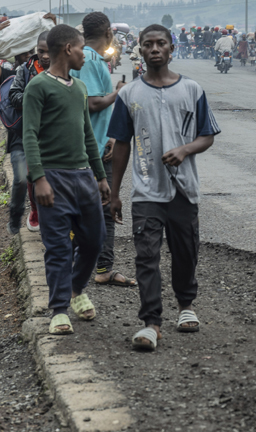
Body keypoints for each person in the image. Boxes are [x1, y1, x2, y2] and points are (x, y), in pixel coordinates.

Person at [108, 24, 220, 351]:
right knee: (146, 256)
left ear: (172, 48)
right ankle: (151, 323)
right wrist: (115, 193)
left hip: (184, 190)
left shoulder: (192, 90)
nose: (155, 49)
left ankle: (186, 306)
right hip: (146, 191)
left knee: (186, 252)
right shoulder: (129, 95)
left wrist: (185, 149)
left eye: (161, 43)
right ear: (139, 50)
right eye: (148, 44)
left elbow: (207, 135)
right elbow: (122, 144)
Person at [22, 24, 109, 335]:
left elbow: (87, 134)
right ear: (67, 49)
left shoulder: (80, 88)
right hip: (53, 178)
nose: (86, 54)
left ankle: (75, 288)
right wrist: (39, 178)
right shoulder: (39, 87)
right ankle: (59, 309)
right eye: (82, 48)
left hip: (84, 176)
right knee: (58, 246)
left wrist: (100, 176)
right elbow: (29, 134)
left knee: (94, 240)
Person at [69, 12, 135, 288]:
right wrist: (119, 92)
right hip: (93, 149)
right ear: (108, 32)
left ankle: (87, 263)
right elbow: (92, 103)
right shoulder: (90, 59)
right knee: (104, 208)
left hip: (94, 142)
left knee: (90, 209)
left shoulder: (89, 57)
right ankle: (102, 267)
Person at [6, 30, 53, 235]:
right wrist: (35, 93)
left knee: (42, 179)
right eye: (40, 51)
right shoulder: (25, 70)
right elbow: (13, 97)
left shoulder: (65, 71)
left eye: (49, 51)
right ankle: (16, 214)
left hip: (49, 136)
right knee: (21, 179)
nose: (44, 56)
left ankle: (40, 213)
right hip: (22, 134)